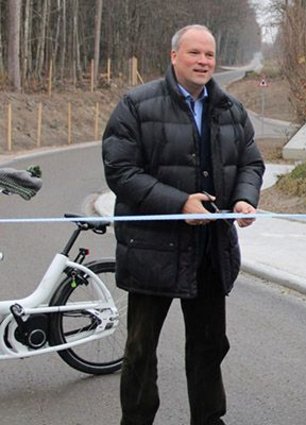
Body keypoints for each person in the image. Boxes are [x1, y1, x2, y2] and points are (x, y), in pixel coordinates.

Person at [102, 24, 264, 425]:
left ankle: (209, 419)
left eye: (209, 55)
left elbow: (251, 162)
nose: (203, 61)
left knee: (210, 346)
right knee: (141, 349)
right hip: (152, 250)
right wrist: (179, 204)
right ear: (174, 56)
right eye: (194, 53)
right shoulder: (137, 105)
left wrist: (245, 197)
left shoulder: (231, 109)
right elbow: (120, 171)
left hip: (210, 252)